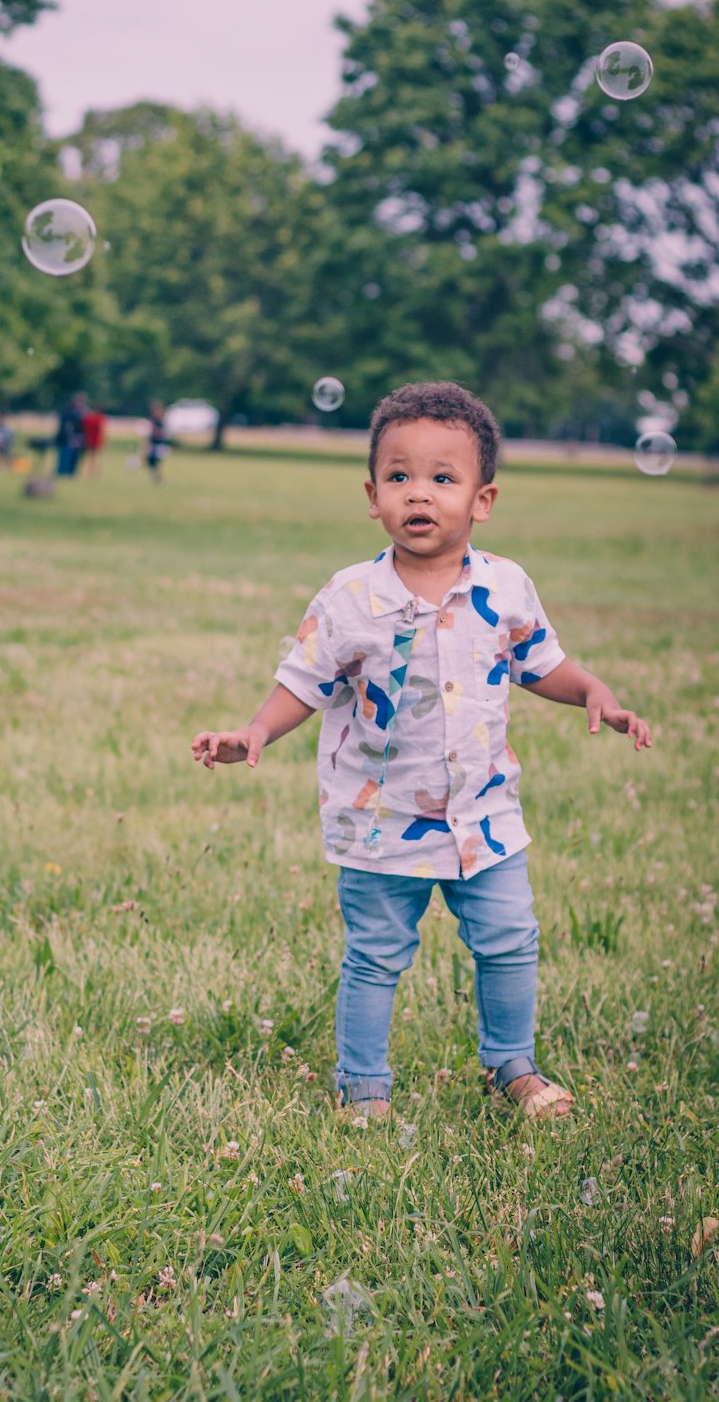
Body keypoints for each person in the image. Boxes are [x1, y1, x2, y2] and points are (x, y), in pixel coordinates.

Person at [191, 381, 652, 1124]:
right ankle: (363, 1083)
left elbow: (539, 662)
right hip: (380, 821)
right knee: (375, 954)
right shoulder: (348, 597)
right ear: (372, 496)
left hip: (485, 816)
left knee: (510, 940)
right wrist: (254, 732)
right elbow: (301, 681)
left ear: (483, 499)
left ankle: (512, 1064)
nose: (420, 493)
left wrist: (591, 688)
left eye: (444, 478)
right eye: (400, 476)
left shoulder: (505, 587)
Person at [56, 391, 87, 477]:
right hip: (67, 439)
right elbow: (68, 426)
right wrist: (71, 437)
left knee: (73, 458)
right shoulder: (68, 411)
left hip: (76, 439)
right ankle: (63, 473)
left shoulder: (80, 412)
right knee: (65, 457)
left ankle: (70, 473)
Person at [145, 400, 170, 481]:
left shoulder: (160, 421)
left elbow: (159, 433)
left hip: (159, 444)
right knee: (151, 461)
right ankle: (157, 476)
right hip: (154, 443)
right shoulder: (154, 420)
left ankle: (158, 477)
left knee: (155, 461)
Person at [81, 404, 108, 475]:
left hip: (92, 439)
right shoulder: (99, 418)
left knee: (92, 457)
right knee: (92, 457)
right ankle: (91, 472)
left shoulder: (93, 418)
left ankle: (91, 472)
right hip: (93, 440)